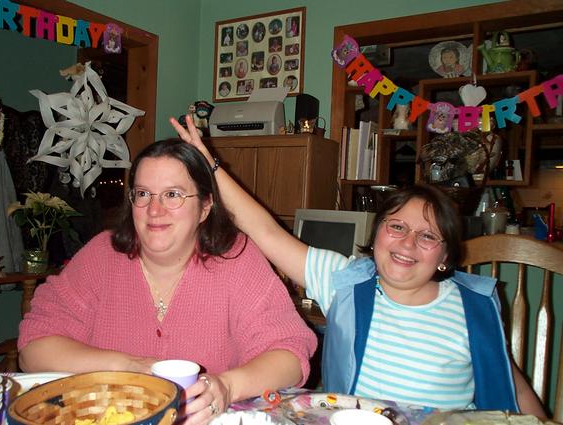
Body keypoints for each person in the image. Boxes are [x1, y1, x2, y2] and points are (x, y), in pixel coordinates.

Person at [170, 115, 547, 417]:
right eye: (396, 227)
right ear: (377, 233)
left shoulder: (473, 306)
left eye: (427, 236)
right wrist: (209, 165)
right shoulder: (346, 283)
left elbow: (511, 385)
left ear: (446, 256)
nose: (407, 243)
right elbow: (265, 231)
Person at [18, 140, 317, 425]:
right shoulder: (101, 256)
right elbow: (34, 350)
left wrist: (226, 386)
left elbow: (290, 356)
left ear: (205, 207)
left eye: (173, 194)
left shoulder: (237, 259)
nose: (154, 209)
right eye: (143, 194)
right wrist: (129, 366)